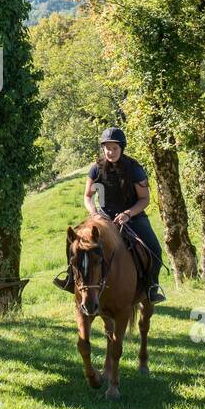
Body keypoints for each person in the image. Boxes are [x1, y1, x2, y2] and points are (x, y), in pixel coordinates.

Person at [56, 126, 166, 304]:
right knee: (74, 240)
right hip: (103, 218)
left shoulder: (135, 169)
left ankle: (151, 286)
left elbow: (144, 199)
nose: (110, 151)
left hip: (133, 217)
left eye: (114, 148)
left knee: (155, 249)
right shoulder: (96, 169)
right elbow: (88, 196)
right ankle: (70, 278)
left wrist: (128, 214)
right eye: (107, 147)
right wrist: (94, 214)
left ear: (121, 148)